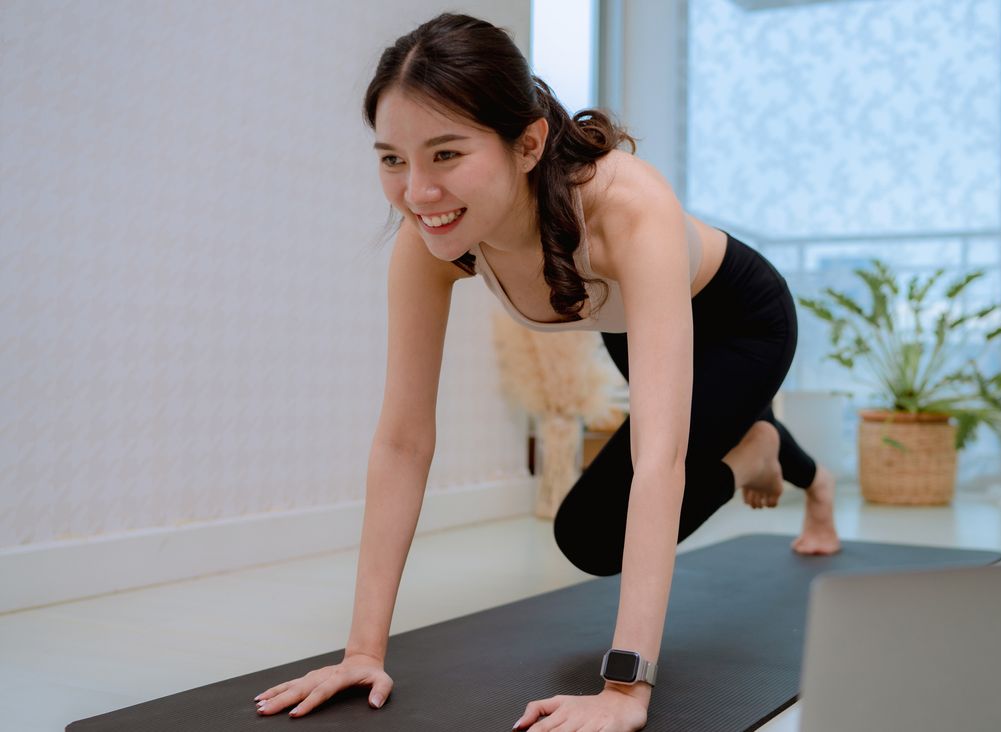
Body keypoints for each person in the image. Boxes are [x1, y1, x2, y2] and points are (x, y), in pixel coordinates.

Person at [251, 12, 841, 731]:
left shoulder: (626, 207)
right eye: (392, 159)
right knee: (601, 527)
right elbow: (403, 441)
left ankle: (759, 449)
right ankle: (762, 446)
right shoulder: (428, 237)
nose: (417, 191)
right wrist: (360, 652)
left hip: (739, 321)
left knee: (593, 533)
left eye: (445, 154)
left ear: (528, 143)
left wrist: (626, 689)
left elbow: (661, 458)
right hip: (627, 323)